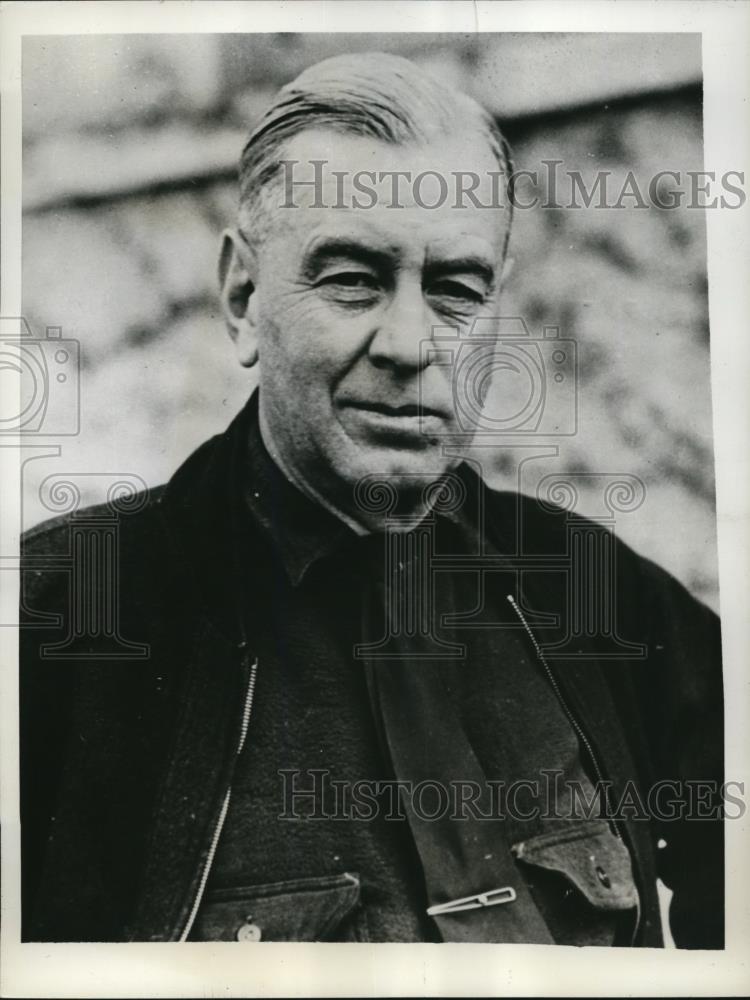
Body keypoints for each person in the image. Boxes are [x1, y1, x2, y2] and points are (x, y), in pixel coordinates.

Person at [19, 52, 723, 946]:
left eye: (454, 290)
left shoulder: (598, 595)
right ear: (242, 295)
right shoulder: (59, 622)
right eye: (351, 277)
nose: (407, 343)